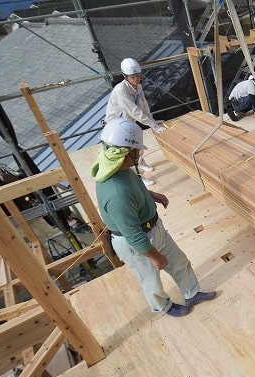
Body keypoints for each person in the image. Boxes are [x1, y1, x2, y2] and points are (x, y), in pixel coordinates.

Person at [91, 118, 217, 317]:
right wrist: (154, 256)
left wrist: (152, 195)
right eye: (137, 151)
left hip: (153, 228)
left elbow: (136, 189)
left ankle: (191, 293)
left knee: (179, 261)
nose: (139, 154)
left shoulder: (121, 170)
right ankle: (164, 306)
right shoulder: (116, 194)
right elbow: (132, 234)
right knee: (151, 279)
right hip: (136, 243)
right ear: (125, 152)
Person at [105, 58, 165, 186]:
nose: (136, 79)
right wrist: (153, 125)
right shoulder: (121, 90)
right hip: (117, 127)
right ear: (125, 76)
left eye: (138, 75)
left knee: (137, 148)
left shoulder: (138, 87)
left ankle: (142, 164)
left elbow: (143, 106)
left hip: (129, 123)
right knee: (128, 155)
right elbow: (135, 111)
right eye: (132, 77)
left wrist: (152, 121)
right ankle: (139, 179)